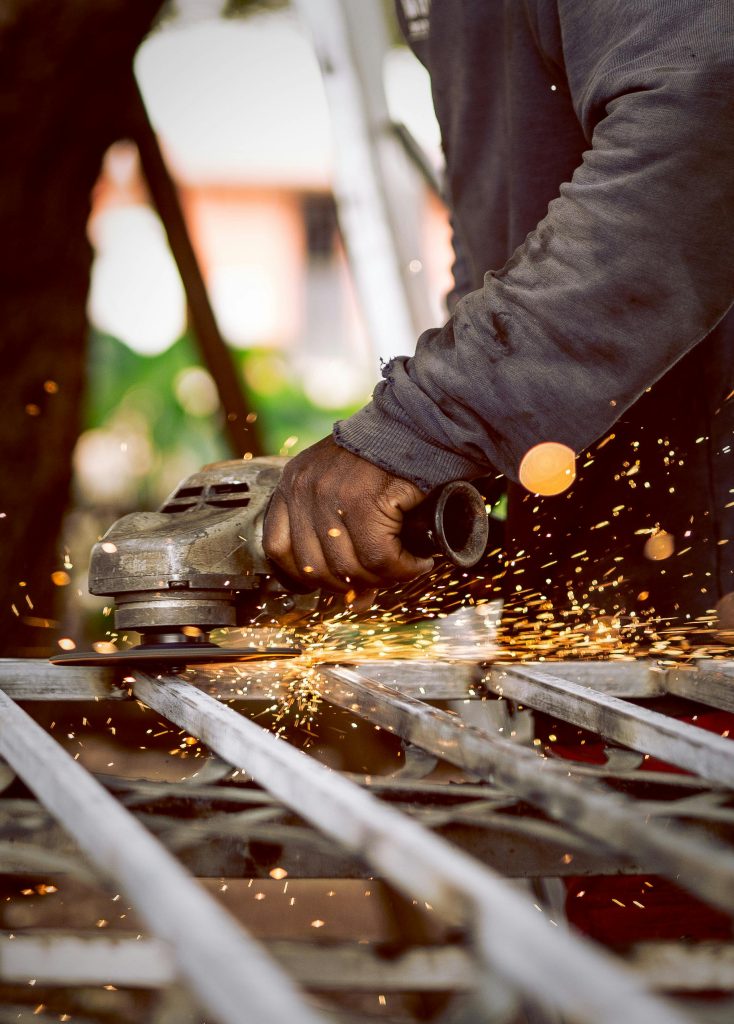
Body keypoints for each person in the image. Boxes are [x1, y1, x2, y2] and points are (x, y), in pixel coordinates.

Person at [264, 0, 734, 640]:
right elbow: (505, 232)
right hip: (606, 609)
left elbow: (701, 123)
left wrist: (429, 422)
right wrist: (454, 490)